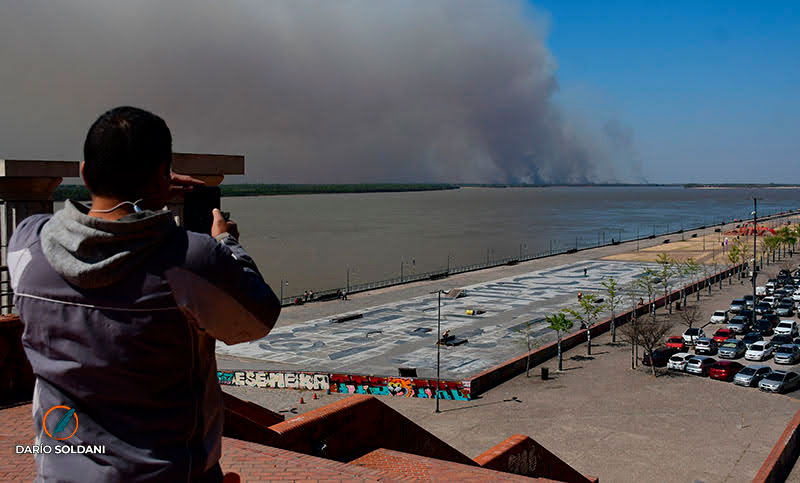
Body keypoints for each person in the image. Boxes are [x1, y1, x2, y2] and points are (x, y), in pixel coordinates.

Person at [7, 106, 281, 482]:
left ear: (84, 173)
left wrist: (148, 189)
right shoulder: (190, 260)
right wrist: (227, 243)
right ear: (161, 176)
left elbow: (81, 227)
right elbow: (257, 318)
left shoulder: (29, 248)